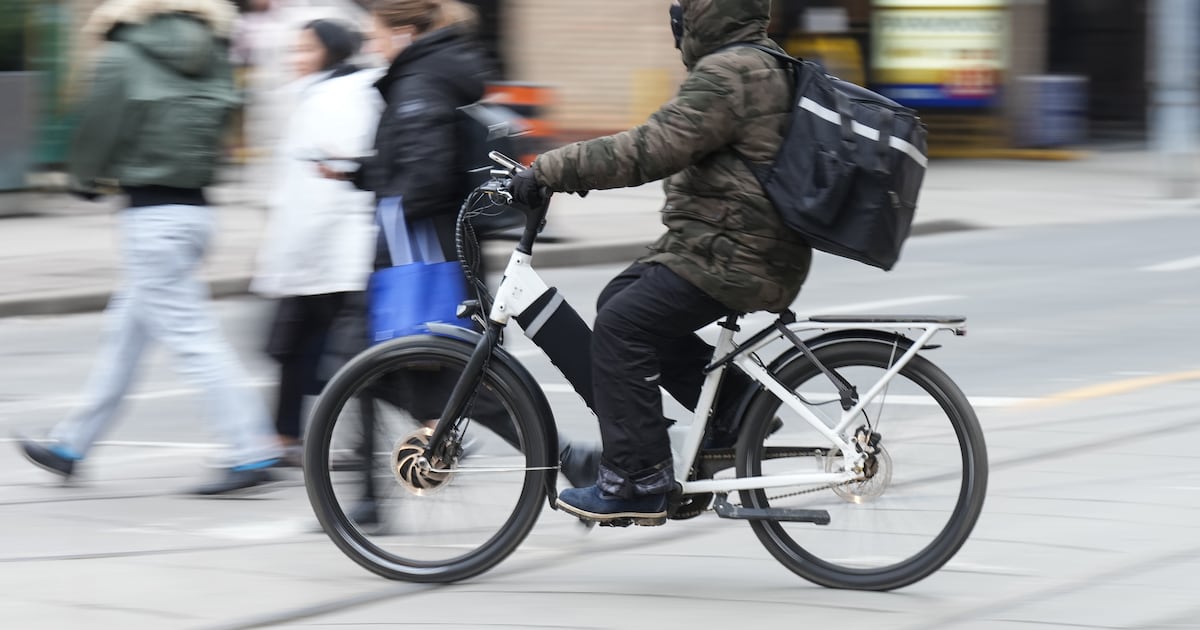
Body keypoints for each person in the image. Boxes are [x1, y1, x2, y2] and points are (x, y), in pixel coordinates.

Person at [509, 0, 812, 523]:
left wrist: (550, 170)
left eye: (684, 5)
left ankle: (638, 477)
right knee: (620, 299)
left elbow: (649, 149)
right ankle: (735, 411)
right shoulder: (761, 60)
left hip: (733, 252)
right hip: (734, 244)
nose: (676, 16)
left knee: (622, 326)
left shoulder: (728, 73)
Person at [325, 0, 598, 524]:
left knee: (373, 364)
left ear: (403, 31)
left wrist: (392, 200)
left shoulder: (419, 82)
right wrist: (363, 173)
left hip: (417, 256)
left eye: (375, 31)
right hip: (436, 248)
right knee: (423, 373)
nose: (371, 42)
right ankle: (566, 457)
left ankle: (369, 495)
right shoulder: (431, 74)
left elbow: (426, 174)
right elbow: (419, 159)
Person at [17, 0, 282, 495]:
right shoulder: (217, 49)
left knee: (193, 338)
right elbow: (224, 118)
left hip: (152, 219)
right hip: (197, 211)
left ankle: (250, 449)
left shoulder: (122, 51)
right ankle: (72, 445)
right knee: (125, 337)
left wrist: (85, 180)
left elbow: (98, 122)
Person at [251, 18, 381, 465]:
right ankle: (284, 438)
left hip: (331, 253)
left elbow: (328, 183)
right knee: (294, 347)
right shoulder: (320, 93)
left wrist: (293, 254)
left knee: (351, 355)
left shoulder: (339, 97)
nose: (295, 58)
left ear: (331, 51)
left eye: (305, 49)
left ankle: (430, 424)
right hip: (314, 254)